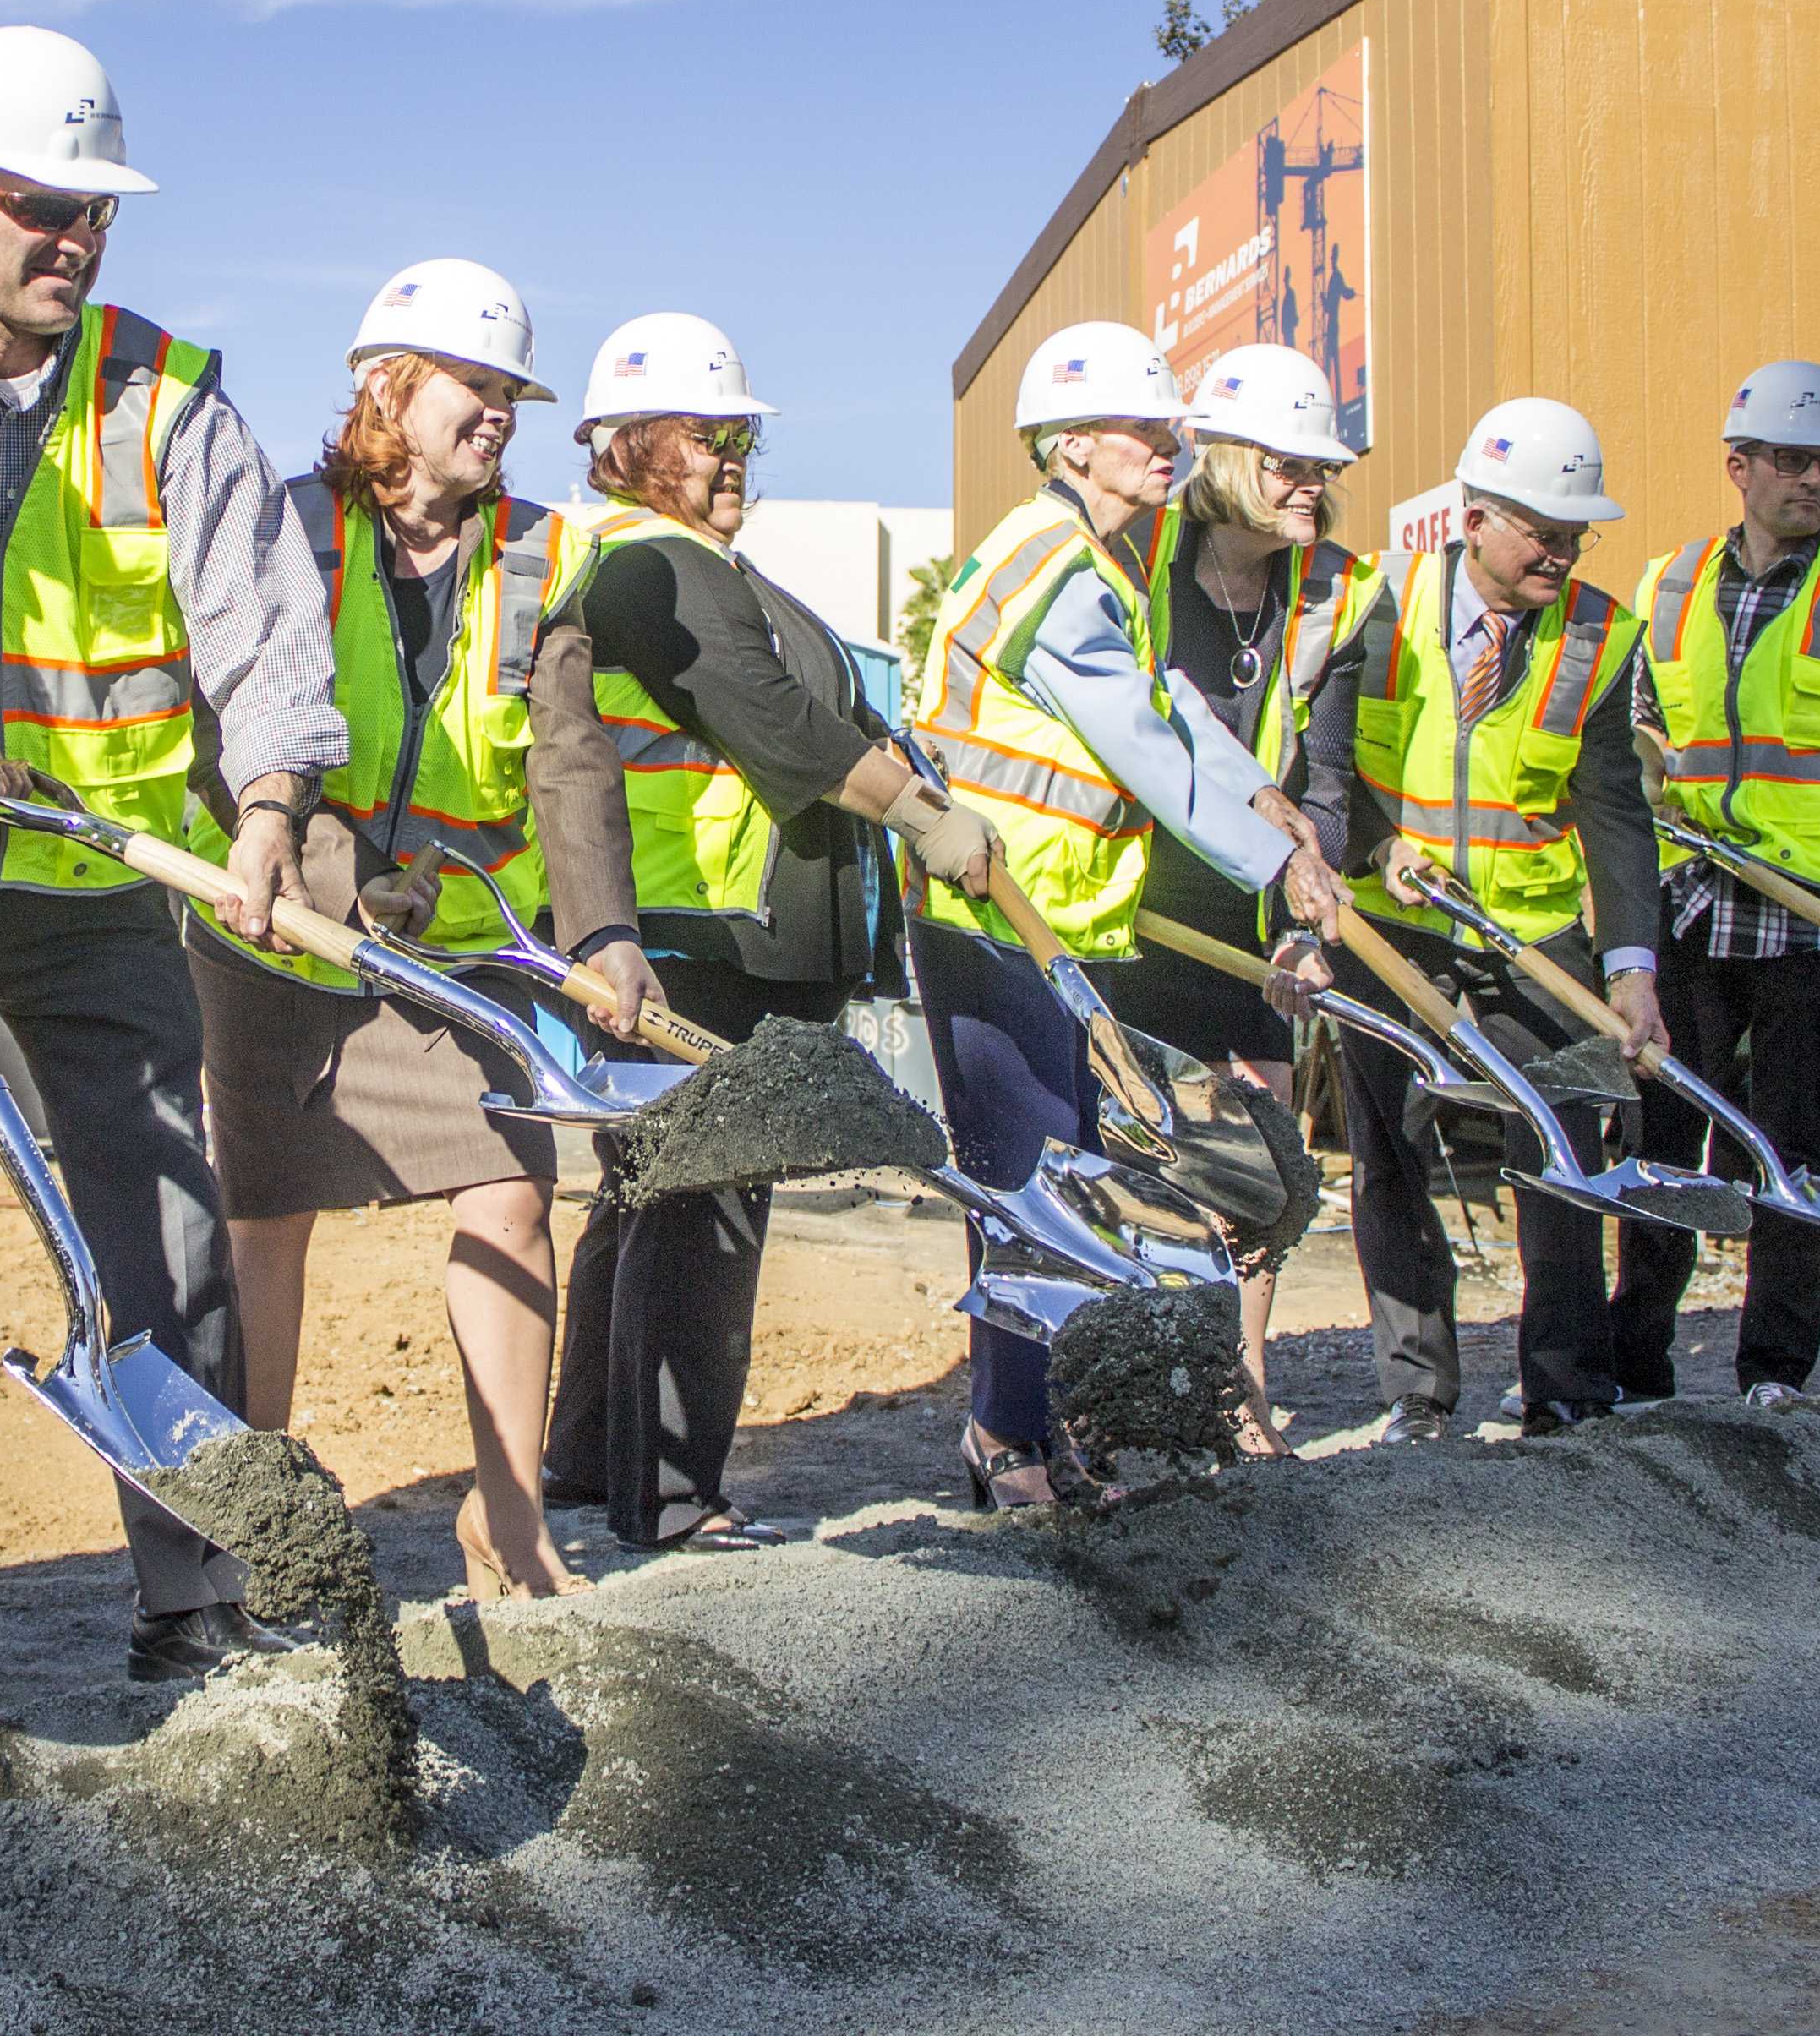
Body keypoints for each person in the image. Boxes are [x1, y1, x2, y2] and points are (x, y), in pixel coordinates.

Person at [0, 27, 342, 1713]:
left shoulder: (171, 394)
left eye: (96, 210)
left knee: (164, 1222)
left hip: (105, 880)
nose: (75, 240)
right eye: (42, 207)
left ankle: (195, 1588)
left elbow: (261, 627)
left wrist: (261, 812)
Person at [188, 260, 636, 1600]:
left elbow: (567, 760)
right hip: (275, 932)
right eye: (476, 388)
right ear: (388, 387)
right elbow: (235, 726)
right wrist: (324, 875)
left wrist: (603, 932)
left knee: (511, 1192)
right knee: (262, 1217)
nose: (498, 415)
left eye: (511, 395)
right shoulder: (281, 528)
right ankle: (255, 1534)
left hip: (447, 952)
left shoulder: (550, 552)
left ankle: (510, 1524)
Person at [534, 313, 1000, 1549]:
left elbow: (825, 698)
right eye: (708, 434)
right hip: (702, 937)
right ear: (626, 444)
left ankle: (594, 1464)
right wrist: (916, 815)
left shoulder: (710, 565)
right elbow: (773, 720)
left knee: (648, 1200)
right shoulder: (644, 569)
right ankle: (674, 1498)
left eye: (741, 434)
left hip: (733, 936)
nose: (733, 455)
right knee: (703, 1208)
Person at [908, 322, 1338, 1504]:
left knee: (1056, 1181)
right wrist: (1272, 861)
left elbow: (1174, 705)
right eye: (1147, 431)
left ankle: (1039, 1431)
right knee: (1026, 1185)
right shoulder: (1055, 565)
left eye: (1169, 428)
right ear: (1073, 443)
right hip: (994, 916)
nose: (1169, 447)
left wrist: (1266, 799)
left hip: (1052, 920)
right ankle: (1005, 1438)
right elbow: (1140, 742)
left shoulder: (1101, 559)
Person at [1340, 400, 1667, 1440]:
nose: (1563, 553)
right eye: (1543, 530)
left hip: (1528, 936)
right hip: (1396, 928)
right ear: (1474, 517)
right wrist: (1369, 841)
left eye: (1577, 534)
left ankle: (1566, 1386)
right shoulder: (1376, 601)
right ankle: (1420, 1393)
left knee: (1562, 1144)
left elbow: (1617, 815)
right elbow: (1323, 761)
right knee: (1389, 1151)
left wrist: (1630, 965)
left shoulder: (1604, 636)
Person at [1618, 363, 1820, 1406]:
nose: (1814, 482)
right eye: (1794, 462)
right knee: (1669, 1139)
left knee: (1790, 1145)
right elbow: (1631, 746)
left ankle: (1775, 1371)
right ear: (1740, 466)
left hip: (1810, 918)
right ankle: (1638, 1366)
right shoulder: (1667, 584)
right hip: (1692, 905)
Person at [1114, 343, 1381, 1456]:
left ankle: (1240, 1392)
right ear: (1220, 459)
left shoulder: (1334, 590)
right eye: (1288, 465)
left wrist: (1304, 927)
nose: (1311, 486)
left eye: (1323, 468)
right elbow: (1146, 723)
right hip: (1132, 899)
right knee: (1140, 1161)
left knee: (1259, 1155)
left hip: (1253, 911)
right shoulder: (1138, 559)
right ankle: (1132, 1391)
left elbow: (1329, 774)